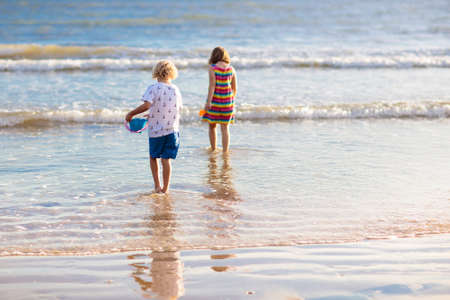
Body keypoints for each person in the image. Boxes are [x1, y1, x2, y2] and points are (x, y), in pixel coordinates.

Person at [126, 60, 182, 194]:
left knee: (153, 157)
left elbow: (147, 105)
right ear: (172, 74)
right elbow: (174, 108)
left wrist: (131, 113)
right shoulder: (175, 89)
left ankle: (157, 186)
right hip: (172, 130)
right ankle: (166, 188)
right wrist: (152, 114)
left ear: (156, 72)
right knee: (166, 160)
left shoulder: (153, 88)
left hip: (157, 131)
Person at [202, 46, 237, 153]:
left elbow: (212, 86)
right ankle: (225, 151)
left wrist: (208, 102)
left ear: (214, 56)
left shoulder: (213, 68)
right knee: (225, 128)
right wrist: (231, 102)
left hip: (215, 102)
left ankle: (213, 149)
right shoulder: (231, 69)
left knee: (212, 126)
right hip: (228, 103)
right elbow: (234, 88)